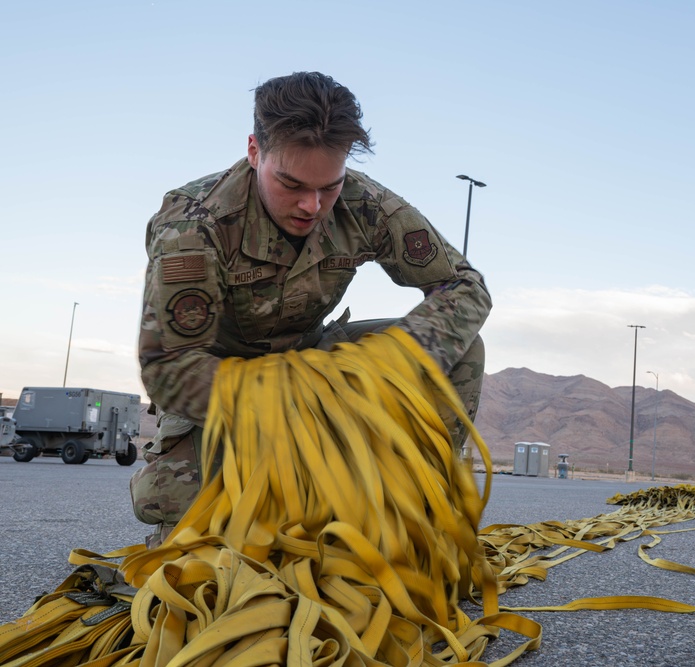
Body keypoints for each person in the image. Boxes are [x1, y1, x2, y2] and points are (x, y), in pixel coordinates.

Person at [131, 71, 491, 547]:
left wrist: (391, 362)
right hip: (226, 386)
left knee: (463, 349)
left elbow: (465, 288)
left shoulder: (367, 205)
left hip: (316, 359)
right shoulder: (193, 225)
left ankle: (415, 515)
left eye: (330, 186)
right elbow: (169, 367)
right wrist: (291, 407)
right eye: (291, 184)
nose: (312, 205)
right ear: (254, 151)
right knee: (187, 529)